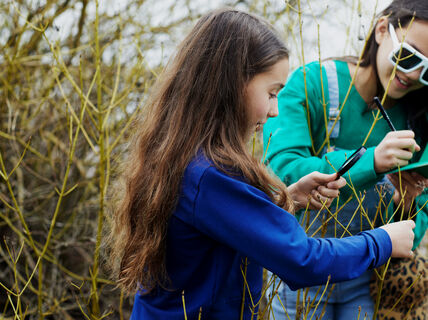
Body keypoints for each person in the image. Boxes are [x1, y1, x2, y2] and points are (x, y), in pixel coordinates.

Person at [109, 8, 416, 320]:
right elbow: (303, 260)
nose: (274, 111)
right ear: (232, 83)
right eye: (271, 94)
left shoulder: (188, 159)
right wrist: (383, 241)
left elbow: (224, 223)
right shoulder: (212, 176)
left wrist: (287, 200)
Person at [263, 0, 428, 319]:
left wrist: (406, 205)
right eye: (409, 57)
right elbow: (284, 171)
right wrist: (371, 163)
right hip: (298, 274)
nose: (414, 75)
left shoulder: (419, 119)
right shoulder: (311, 84)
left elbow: (414, 230)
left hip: (365, 280)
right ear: (382, 30)